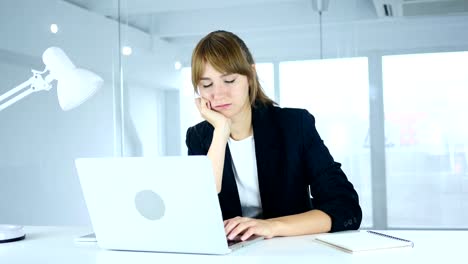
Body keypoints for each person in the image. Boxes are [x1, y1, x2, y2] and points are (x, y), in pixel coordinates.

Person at [186, 30, 362, 242]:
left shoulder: (295, 125)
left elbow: (345, 207)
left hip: (291, 251)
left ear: (250, 75)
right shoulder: (199, 137)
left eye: (229, 80)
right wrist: (221, 131)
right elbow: (198, 209)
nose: (218, 94)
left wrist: (271, 226)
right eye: (206, 85)